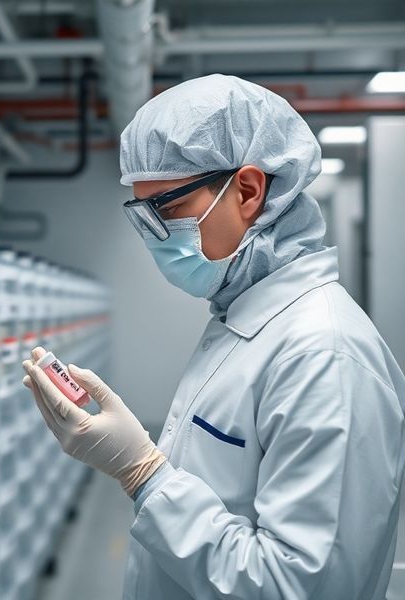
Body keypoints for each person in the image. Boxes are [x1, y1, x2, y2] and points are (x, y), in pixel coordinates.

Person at [22, 74, 405, 599]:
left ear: (248, 191)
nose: (155, 238)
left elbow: (300, 586)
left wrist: (145, 476)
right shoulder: (241, 322)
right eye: (143, 215)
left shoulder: (324, 355)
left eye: (169, 210)